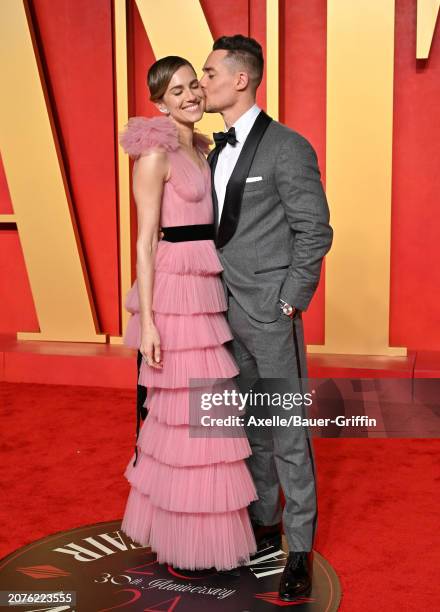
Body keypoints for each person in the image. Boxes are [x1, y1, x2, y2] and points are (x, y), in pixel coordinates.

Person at [199, 35, 333, 600]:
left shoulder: (287, 147)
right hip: (219, 314)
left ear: (241, 80)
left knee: (287, 432)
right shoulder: (212, 149)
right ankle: (264, 524)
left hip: (270, 315)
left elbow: (315, 230)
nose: (200, 83)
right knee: (248, 428)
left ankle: (298, 549)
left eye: (208, 73)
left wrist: (289, 301)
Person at [118, 56, 258, 571]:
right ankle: (184, 538)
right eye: (175, 92)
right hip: (174, 294)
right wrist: (149, 321)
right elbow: (145, 243)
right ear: (159, 104)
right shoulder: (154, 156)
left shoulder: (200, 148)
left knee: (208, 412)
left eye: (193, 86)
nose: (190, 96)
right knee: (185, 415)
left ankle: (204, 529)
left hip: (205, 288)